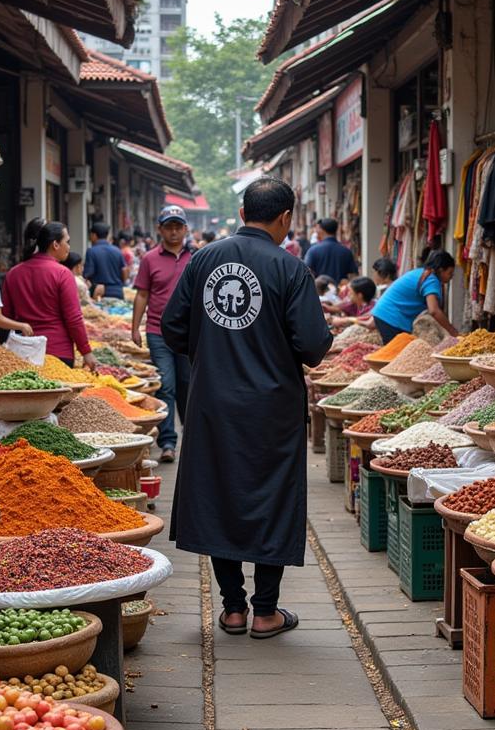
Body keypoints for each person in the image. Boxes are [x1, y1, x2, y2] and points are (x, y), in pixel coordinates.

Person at [161, 177, 332, 638]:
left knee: (220, 495)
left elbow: (172, 328)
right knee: (270, 497)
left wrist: (212, 348)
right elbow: (313, 345)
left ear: (241, 213)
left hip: (213, 402)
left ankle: (232, 608)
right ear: (285, 218)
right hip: (271, 408)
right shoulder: (291, 269)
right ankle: (265, 612)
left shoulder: (203, 260)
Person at [132, 205, 193, 463]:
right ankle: (168, 442)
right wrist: (134, 327)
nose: (174, 232)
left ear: (185, 229)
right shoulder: (149, 259)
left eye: (178, 227)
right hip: (158, 331)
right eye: (169, 227)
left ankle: (193, 440)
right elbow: (143, 294)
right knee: (166, 385)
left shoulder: (197, 257)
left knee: (188, 386)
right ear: (160, 230)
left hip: (190, 334)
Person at [2, 221, 98, 370]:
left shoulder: (13, 273)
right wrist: (85, 351)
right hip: (57, 352)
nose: (69, 247)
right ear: (55, 244)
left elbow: (6, 315)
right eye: (67, 242)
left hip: (23, 353)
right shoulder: (62, 273)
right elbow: (73, 318)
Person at [370, 249, 459, 343]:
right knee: (396, 354)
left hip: (385, 314)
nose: (451, 276)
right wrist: (453, 332)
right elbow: (434, 310)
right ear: (441, 270)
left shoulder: (421, 273)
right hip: (391, 317)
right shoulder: (431, 279)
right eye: (450, 273)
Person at [83, 221, 127, 300]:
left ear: (94, 235)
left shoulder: (91, 251)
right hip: (118, 292)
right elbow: (124, 270)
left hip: (100, 294)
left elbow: (87, 274)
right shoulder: (117, 250)